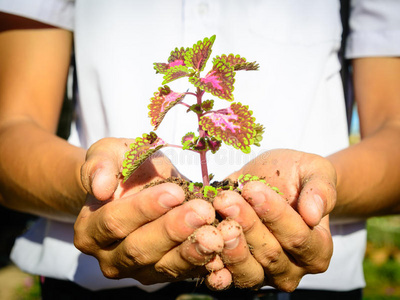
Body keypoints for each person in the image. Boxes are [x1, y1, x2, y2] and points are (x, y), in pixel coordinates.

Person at [0, 0, 399, 299]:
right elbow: (11, 129)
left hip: (307, 285)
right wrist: (96, 188)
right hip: (93, 281)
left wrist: (310, 194)